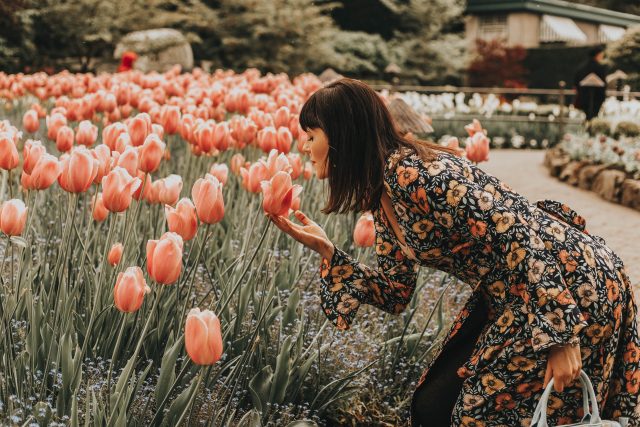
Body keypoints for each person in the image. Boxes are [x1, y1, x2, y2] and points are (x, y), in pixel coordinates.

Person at [268, 78, 640, 426]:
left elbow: (518, 233)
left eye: (311, 135)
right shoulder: (383, 197)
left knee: (482, 411)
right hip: (521, 291)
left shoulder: (416, 176)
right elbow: (395, 291)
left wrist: (561, 336)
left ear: (342, 136)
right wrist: (328, 250)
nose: (304, 146)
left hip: (572, 285)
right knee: (435, 404)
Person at [574, 46, 608, 121]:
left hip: (583, 97)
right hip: (597, 97)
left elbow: (576, 83)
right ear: (597, 55)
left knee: (587, 116)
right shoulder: (600, 67)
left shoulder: (581, 68)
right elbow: (604, 84)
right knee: (594, 117)